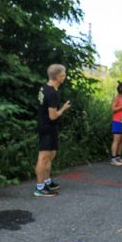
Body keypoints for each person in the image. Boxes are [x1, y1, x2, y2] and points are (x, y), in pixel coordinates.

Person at [35, 64, 71, 197]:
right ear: (56, 77)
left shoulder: (45, 87)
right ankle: (40, 188)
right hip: (47, 126)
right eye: (63, 75)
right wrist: (63, 109)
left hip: (47, 126)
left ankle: (47, 181)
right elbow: (53, 115)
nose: (64, 77)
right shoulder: (52, 93)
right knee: (44, 157)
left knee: (52, 154)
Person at [109, 81, 122, 166]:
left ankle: (118, 157)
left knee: (121, 140)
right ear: (121, 88)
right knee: (116, 140)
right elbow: (113, 109)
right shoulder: (116, 98)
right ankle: (113, 158)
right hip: (117, 121)